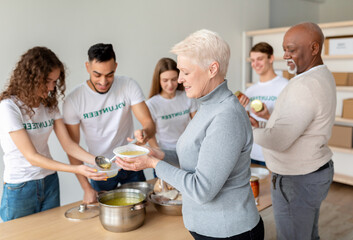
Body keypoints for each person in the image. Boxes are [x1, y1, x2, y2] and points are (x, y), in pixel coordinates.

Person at [116, 29, 264, 240]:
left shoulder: (226, 115)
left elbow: (202, 189)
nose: (180, 80)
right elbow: (197, 155)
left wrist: (152, 164)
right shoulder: (207, 105)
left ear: (212, 69)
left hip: (229, 231)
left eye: (185, 72)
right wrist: (159, 154)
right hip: (208, 229)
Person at [0, 47, 106, 222]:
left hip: (49, 182)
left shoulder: (49, 105)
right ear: (30, 78)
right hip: (20, 187)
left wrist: (99, 161)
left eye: (55, 81)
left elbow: (68, 145)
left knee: (50, 233)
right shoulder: (9, 108)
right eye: (47, 81)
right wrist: (76, 169)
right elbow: (32, 157)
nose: (51, 87)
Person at [252, 22, 335, 240]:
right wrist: (264, 123)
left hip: (297, 180)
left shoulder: (304, 85)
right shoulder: (323, 75)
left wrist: (243, 130)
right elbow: (299, 125)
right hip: (314, 172)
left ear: (314, 48)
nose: (285, 55)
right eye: (284, 48)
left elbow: (279, 140)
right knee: (307, 234)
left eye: (292, 49)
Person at [63, 43, 156, 204]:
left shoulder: (128, 85)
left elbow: (149, 123)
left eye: (110, 74)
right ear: (87, 67)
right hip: (100, 169)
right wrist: (86, 189)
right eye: (97, 75)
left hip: (130, 163)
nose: (104, 81)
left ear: (116, 67)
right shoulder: (74, 100)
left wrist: (145, 133)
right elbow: (72, 148)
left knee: (141, 207)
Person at [238, 42, 288, 166]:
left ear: (271, 58)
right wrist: (240, 111)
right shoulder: (249, 91)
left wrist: (267, 116)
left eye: (260, 59)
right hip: (252, 153)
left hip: (274, 154)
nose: (255, 64)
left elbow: (290, 124)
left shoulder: (286, 86)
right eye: (253, 60)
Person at [146, 57, 197, 150]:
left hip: (188, 148)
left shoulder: (187, 97)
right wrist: (159, 153)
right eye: (165, 80)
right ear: (158, 80)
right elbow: (150, 135)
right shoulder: (151, 104)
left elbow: (198, 124)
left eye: (174, 79)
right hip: (165, 151)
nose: (170, 85)